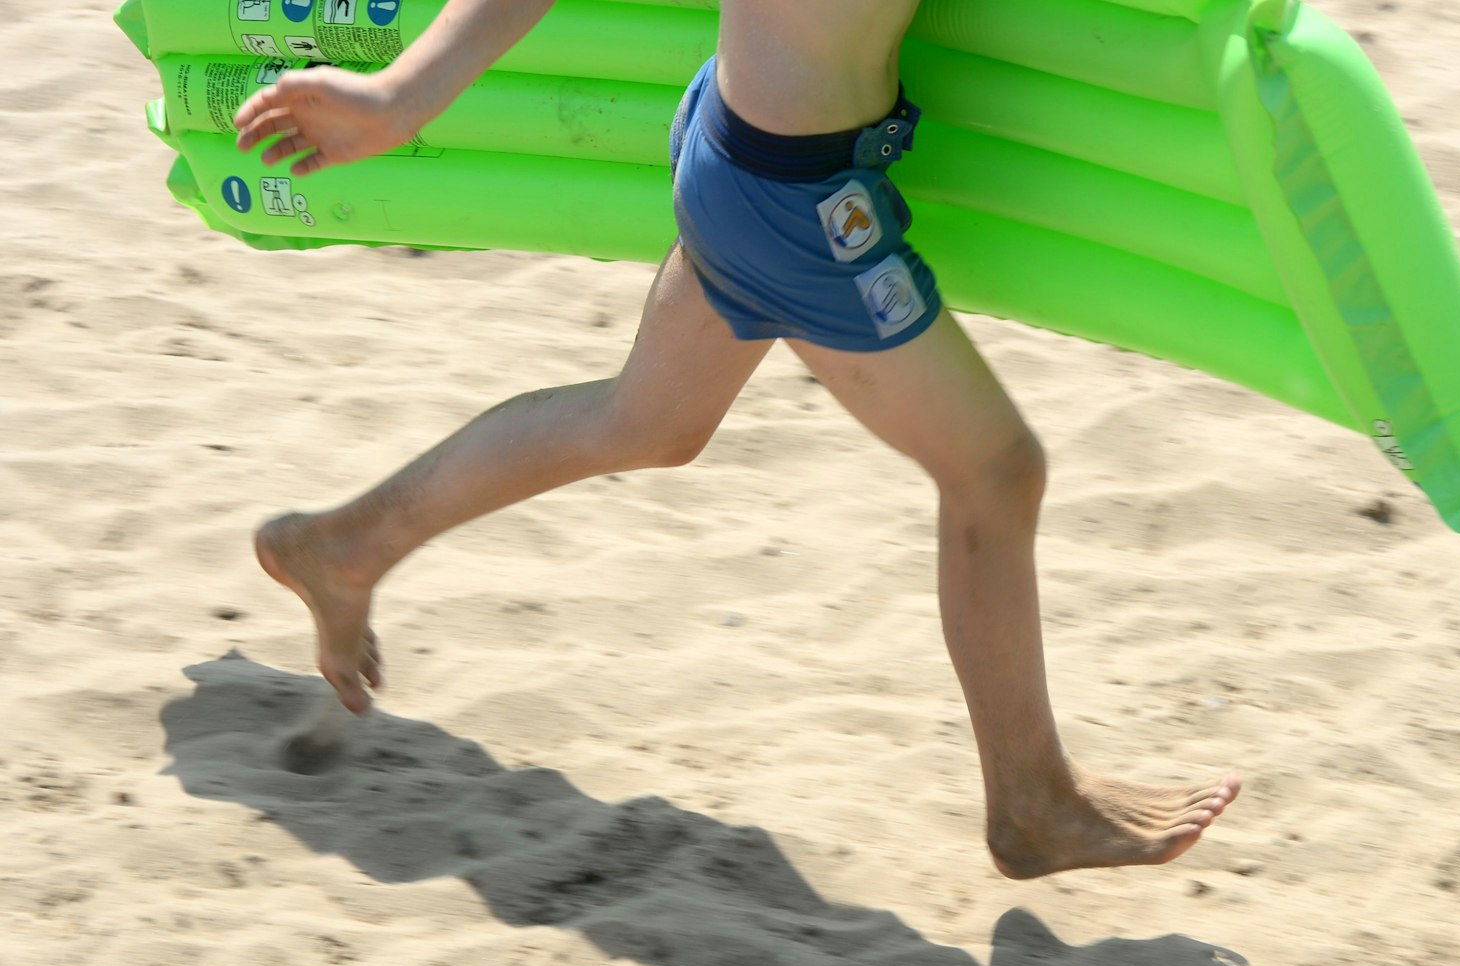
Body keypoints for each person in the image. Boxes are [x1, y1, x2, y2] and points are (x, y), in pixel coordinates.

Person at [232, 0, 1239, 879]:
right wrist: (403, 97)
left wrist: (407, 96)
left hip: (753, 147)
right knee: (994, 471)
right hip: (790, 200)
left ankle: (343, 546)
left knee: (645, 422)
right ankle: (1028, 803)